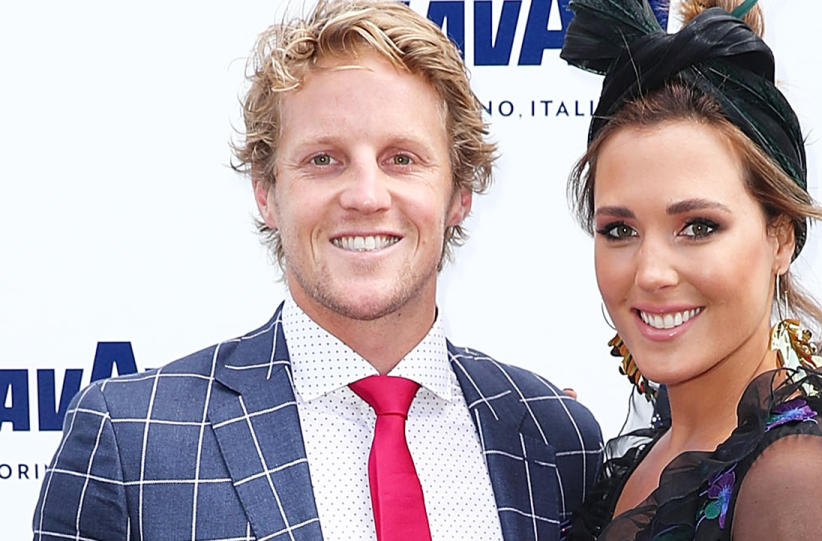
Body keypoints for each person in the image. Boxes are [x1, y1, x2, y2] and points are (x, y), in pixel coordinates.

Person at [31, 2, 602, 540]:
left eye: (401, 159)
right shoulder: (133, 437)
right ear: (266, 193)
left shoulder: (555, 437)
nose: (365, 195)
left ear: (460, 193)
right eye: (323, 160)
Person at [558, 0, 822, 539]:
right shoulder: (650, 459)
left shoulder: (798, 483)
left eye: (698, 226)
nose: (651, 273)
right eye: (619, 230)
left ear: (781, 237)